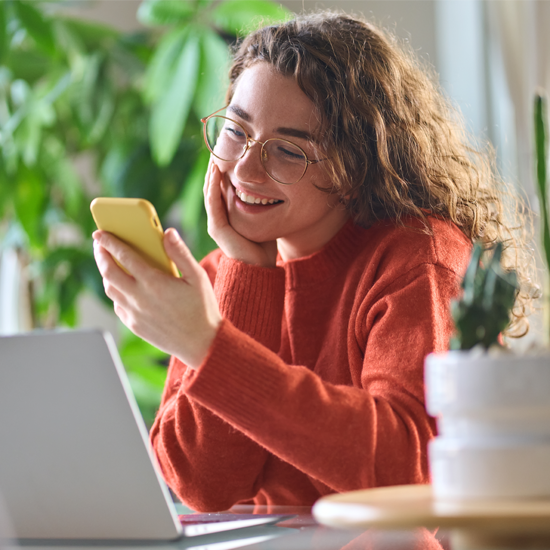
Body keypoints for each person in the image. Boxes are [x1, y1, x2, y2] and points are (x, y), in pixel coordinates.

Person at [93, 11, 531, 511]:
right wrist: (247, 276)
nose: (243, 167)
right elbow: (205, 486)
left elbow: (409, 470)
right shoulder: (218, 273)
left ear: (354, 165)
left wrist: (207, 346)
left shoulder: (418, 261)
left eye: (287, 150)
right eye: (235, 131)